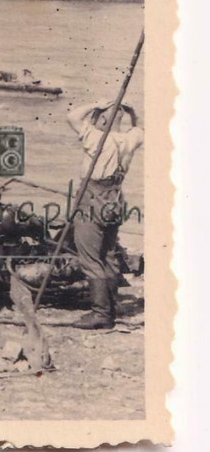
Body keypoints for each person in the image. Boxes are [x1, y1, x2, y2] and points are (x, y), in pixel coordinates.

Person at [66, 99, 145, 329]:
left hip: (94, 198)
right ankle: (110, 308)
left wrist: (94, 104)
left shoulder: (98, 139)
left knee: (90, 257)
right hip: (115, 200)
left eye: (98, 116)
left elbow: (72, 116)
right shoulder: (129, 140)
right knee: (108, 254)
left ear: (101, 119)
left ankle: (100, 313)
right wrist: (132, 111)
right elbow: (140, 128)